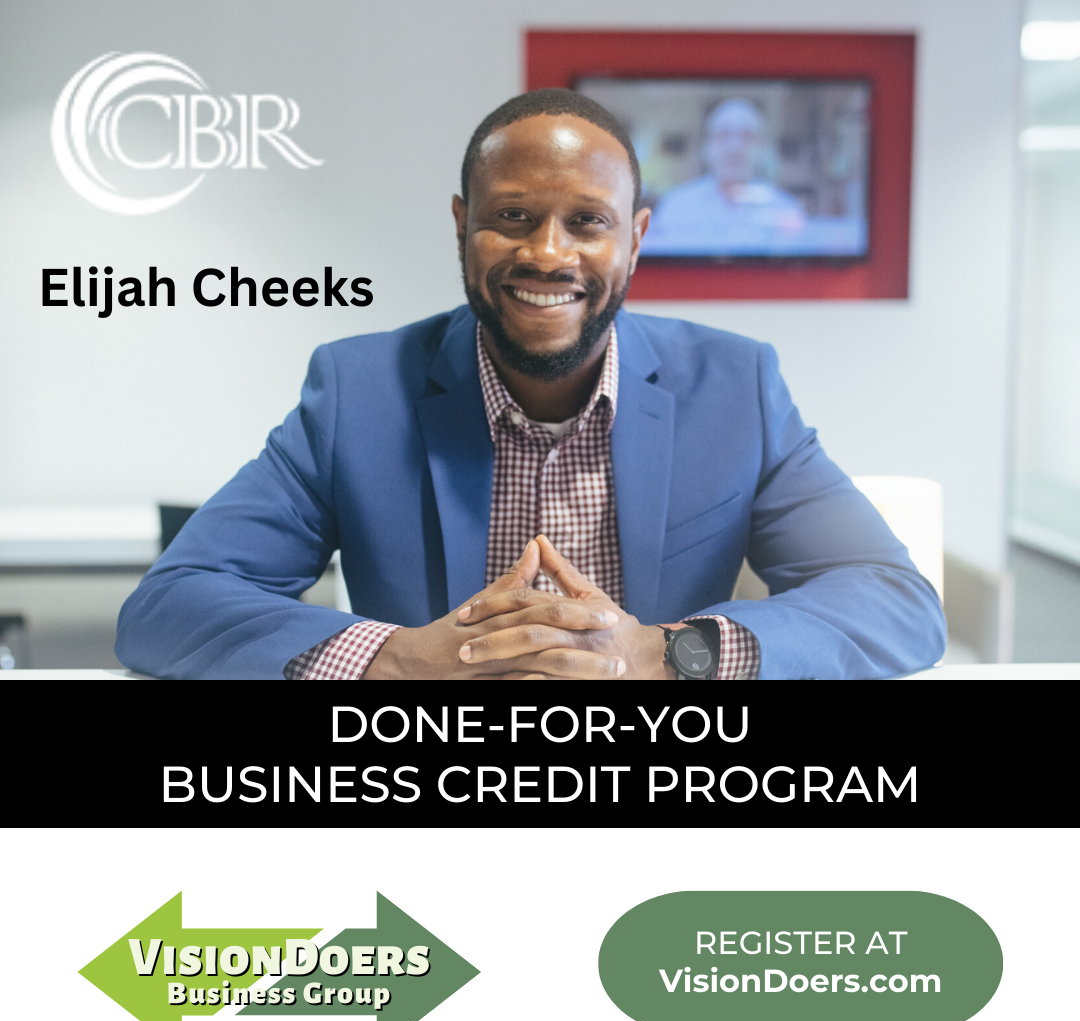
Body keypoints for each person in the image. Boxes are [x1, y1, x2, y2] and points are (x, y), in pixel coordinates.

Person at [115, 88, 945, 680]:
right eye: (513, 216)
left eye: (588, 221)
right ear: (461, 223)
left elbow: (896, 603)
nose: (549, 253)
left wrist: (665, 656)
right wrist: (396, 662)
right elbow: (172, 606)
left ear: (635, 237)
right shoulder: (357, 391)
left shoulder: (736, 388)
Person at [643, 98, 807, 255]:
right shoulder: (675, 206)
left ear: (762, 149)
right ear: (706, 147)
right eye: (723, 135)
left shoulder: (785, 209)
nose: (734, 148)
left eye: (747, 136)